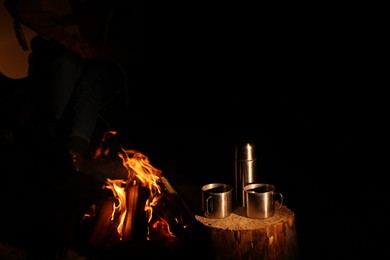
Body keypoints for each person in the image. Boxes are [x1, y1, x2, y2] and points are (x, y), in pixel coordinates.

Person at [14, 0, 144, 171]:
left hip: (112, 62)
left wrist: (97, 51)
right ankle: (56, 128)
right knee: (67, 62)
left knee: (91, 80)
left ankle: (76, 146)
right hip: (75, 48)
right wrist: (70, 40)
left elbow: (130, 45)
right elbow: (27, 11)